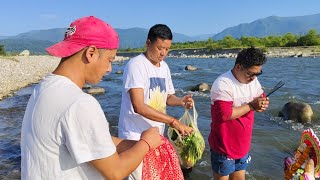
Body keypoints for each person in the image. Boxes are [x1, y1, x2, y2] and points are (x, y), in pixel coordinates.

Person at [20, 16, 163, 180]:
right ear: (91, 53)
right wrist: (146, 144)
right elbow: (115, 172)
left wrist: (133, 145)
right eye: (110, 60)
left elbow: (91, 138)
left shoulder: (44, 87)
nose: (109, 69)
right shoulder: (79, 103)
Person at [118, 24, 194, 179]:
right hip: (134, 137)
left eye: (167, 49)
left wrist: (181, 101)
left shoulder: (164, 67)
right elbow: (138, 106)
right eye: (160, 48)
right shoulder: (136, 65)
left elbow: (166, 97)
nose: (163, 53)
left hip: (156, 136)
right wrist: (173, 122)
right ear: (148, 43)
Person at [208, 47, 269, 180]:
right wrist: (252, 105)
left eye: (257, 74)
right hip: (223, 147)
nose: (253, 78)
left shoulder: (253, 81)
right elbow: (225, 115)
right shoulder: (223, 84)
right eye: (250, 73)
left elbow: (260, 96)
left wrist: (262, 103)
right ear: (238, 67)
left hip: (243, 145)